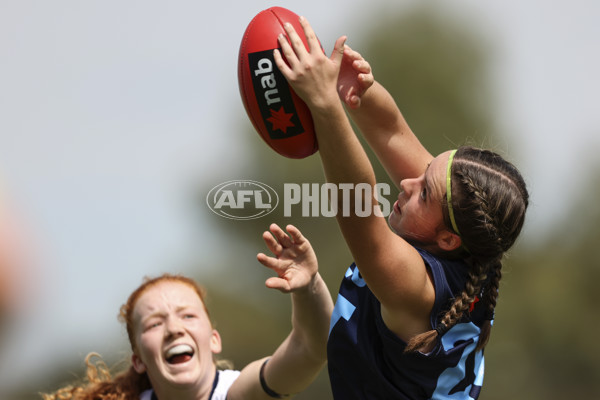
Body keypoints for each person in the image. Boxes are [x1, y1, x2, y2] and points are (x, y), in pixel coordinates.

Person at [273, 17, 529, 399]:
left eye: (423, 192)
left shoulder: (417, 287)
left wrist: (325, 103)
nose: (408, 184)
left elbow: (356, 203)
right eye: (425, 171)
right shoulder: (472, 240)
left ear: (446, 239)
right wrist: (359, 90)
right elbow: (392, 130)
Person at [42, 223, 333, 400]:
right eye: (155, 323)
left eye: (188, 315)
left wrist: (309, 286)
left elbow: (311, 348)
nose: (173, 328)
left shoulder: (236, 394)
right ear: (138, 360)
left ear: (214, 340)